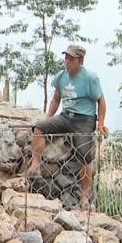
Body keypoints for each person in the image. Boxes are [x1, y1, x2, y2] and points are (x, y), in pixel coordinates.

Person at [28, 43, 107, 209]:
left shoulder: (90, 78)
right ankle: (35, 164)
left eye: (71, 59)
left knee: (84, 154)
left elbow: (101, 100)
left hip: (84, 119)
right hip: (66, 116)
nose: (67, 62)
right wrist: (48, 117)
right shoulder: (62, 76)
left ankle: (84, 196)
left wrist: (100, 123)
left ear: (80, 61)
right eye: (66, 58)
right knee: (39, 128)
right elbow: (56, 98)